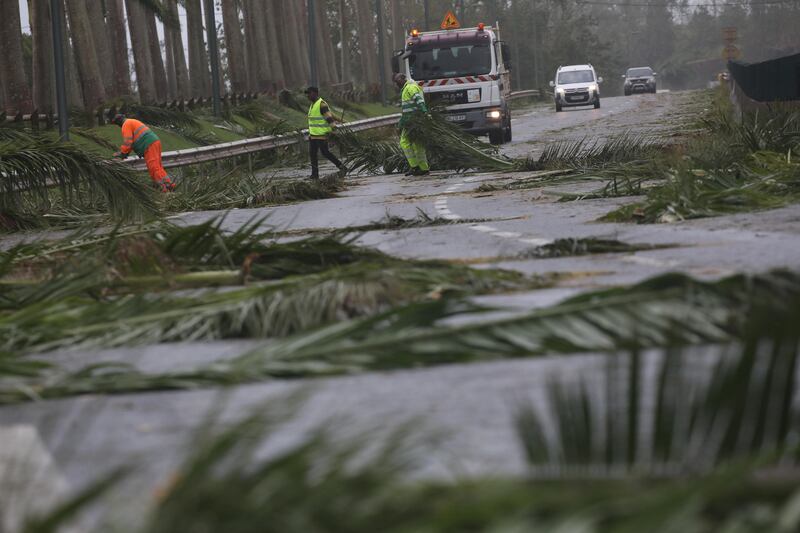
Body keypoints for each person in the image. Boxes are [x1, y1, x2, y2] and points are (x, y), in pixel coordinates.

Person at [112, 114, 175, 192]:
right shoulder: (131, 121)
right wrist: (125, 152)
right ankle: (169, 185)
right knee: (157, 167)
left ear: (119, 122)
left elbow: (128, 141)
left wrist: (122, 153)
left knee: (153, 167)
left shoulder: (126, 124)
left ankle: (163, 189)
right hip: (154, 142)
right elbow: (133, 141)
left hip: (149, 144)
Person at [305, 86, 346, 180]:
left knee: (325, 153)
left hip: (322, 135)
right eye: (307, 94)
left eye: (309, 93)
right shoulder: (313, 104)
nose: (307, 95)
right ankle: (314, 175)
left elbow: (329, 118)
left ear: (315, 93)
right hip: (314, 135)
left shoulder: (321, 104)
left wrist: (334, 132)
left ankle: (342, 167)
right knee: (312, 154)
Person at [394, 73, 430, 176]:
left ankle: (414, 166)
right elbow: (406, 110)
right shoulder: (409, 87)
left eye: (397, 81)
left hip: (413, 121)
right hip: (413, 121)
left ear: (403, 79)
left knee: (404, 142)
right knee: (417, 145)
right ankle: (423, 168)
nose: (397, 84)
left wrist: (424, 111)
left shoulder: (410, 87)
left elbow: (418, 100)